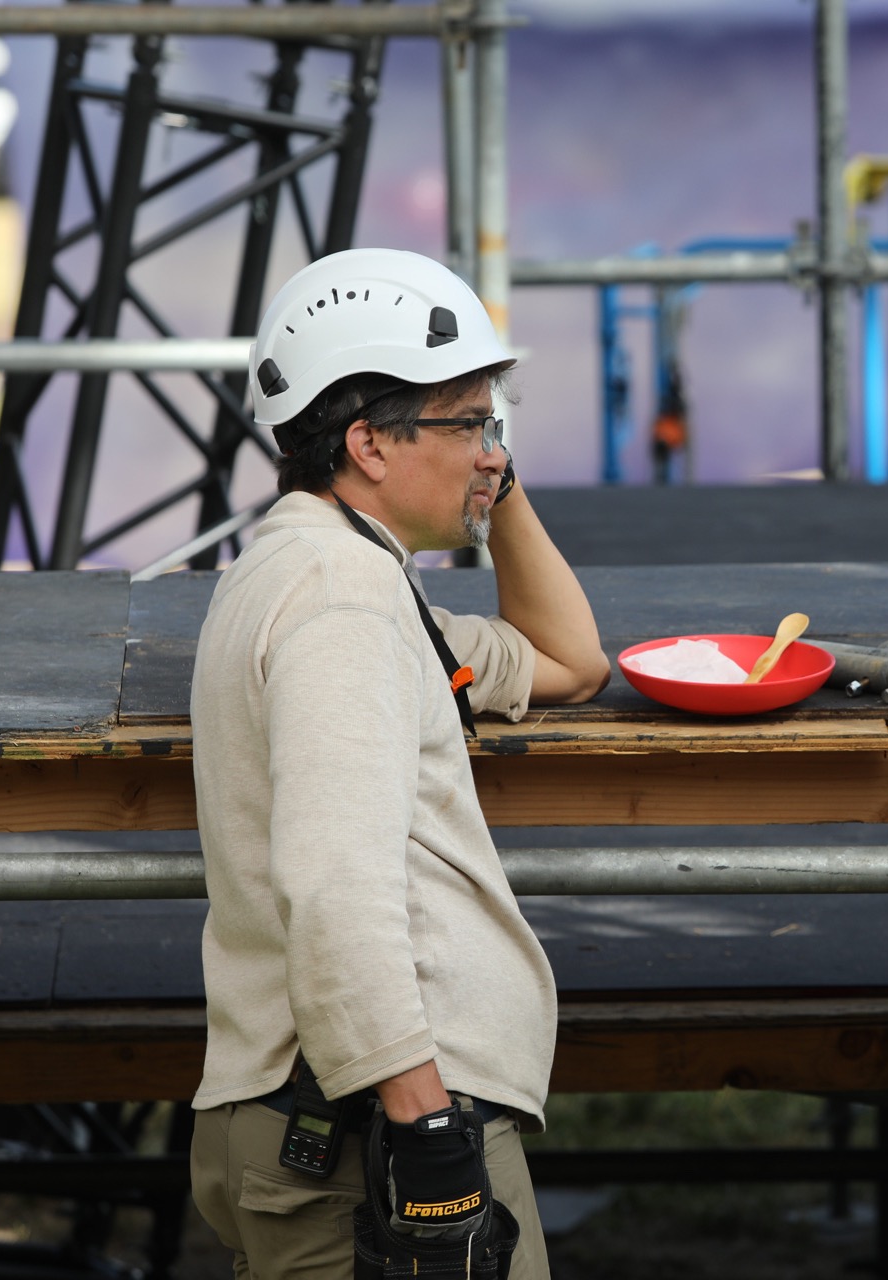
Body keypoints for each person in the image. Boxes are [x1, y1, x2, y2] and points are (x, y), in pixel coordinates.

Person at [187, 247, 610, 1280]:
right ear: (368, 442)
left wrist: (496, 486)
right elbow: (335, 879)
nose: (490, 454)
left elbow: (568, 661)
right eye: (468, 425)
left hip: (335, 1114)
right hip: (375, 1125)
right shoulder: (345, 604)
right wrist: (425, 1126)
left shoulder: (331, 573)